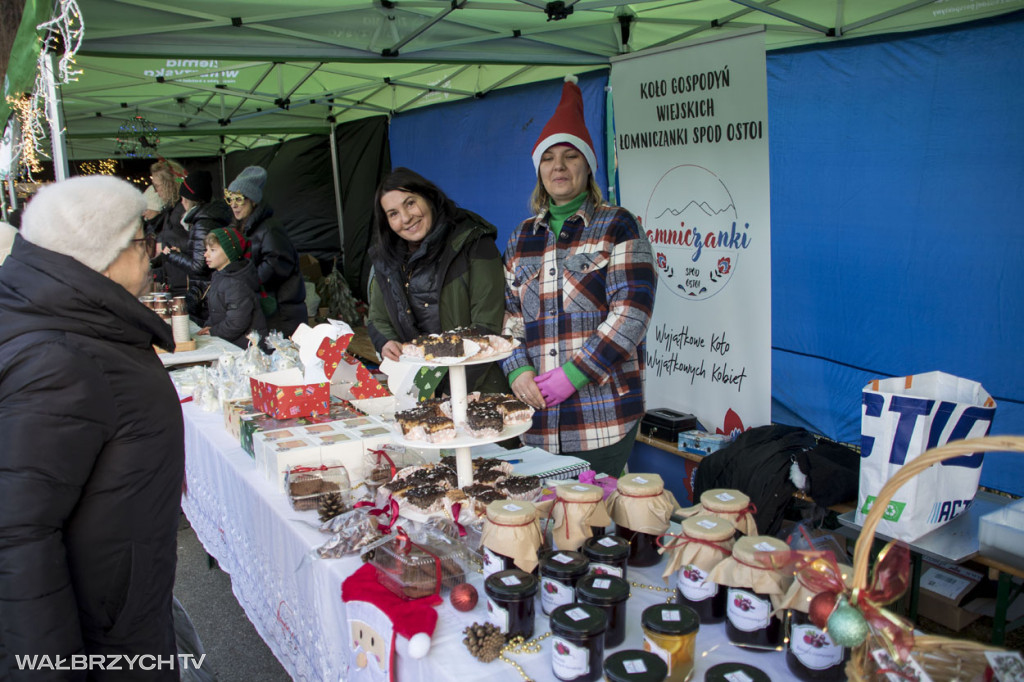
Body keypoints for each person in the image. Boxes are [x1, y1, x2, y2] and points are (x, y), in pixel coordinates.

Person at [0, 176, 183, 680]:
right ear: (105, 255)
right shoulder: (59, 358)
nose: (153, 252)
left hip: (118, 606)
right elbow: (18, 536)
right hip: (105, 632)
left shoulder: (78, 324)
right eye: (142, 240)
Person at [500, 76, 657, 477]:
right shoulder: (521, 238)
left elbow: (632, 313)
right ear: (539, 170)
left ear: (588, 166)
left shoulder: (619, 225)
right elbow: (511, 318)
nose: (559, 166)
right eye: (549, 158)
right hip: (535, 420)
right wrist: (517, 370)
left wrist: (574, 374)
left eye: (571, 156)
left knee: (594, 511)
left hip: (602, 417)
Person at [367, 167, 508, 394]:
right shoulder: (387, 260)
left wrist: (452, 393)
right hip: (419, 389)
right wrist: (386, 342)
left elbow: (488, 327)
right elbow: (378, 318)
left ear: (429, 197)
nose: (406, 218)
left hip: (478, 388)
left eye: (410, 203)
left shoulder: (473, 243)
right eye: (393, 214)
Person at [225, 166, 306, 336]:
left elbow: (277, 263)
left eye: (239, 199)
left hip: (280, 310)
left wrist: (246, 281)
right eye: (230, 199)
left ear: (253, 201)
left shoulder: (269, 227)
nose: (233, 205)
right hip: (268, 308)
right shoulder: (244, 227)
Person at [160, 170, 233, 320]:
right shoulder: (206, 219)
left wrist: (172, 256)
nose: (181, 202)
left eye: (183, 198)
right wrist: (182, 252)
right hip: (210, 290)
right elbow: (201, 254)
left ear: (190, 200)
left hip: (206, 294)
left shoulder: (202, 224)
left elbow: (199, 266)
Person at [198, 226, 268, 348]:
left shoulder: (236, 283)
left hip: (245, 349)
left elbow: (237, 322)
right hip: (231, 343)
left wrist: (213, 331)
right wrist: (209, 326)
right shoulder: (220, 276)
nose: (205, 254)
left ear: (228, 252)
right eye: (206, 249)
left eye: (212, 250)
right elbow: (217, 312)